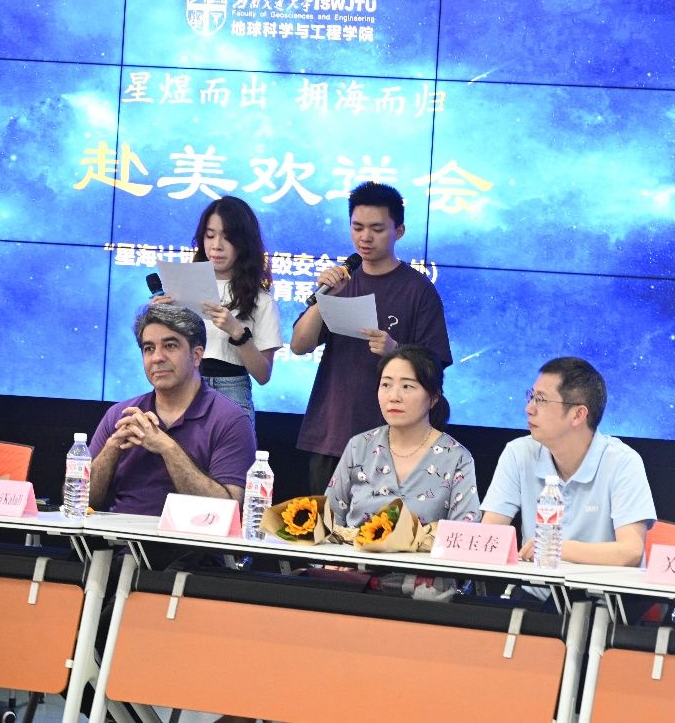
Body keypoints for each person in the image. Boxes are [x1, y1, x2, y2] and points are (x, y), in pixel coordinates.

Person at [292, 181, 452, 494]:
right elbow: (299, 345)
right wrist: (323, 300)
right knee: (325, 522)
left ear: (399, 231)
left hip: (392, 439)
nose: (365, 237)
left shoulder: (418, 290)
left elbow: (436, 365)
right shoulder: (341, 281)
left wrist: (396, 351)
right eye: (358, 227)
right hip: (332, 432)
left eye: (377, 229)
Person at [481, 357, 656, 566]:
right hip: (535, 586)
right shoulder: (518, 453)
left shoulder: (622, 462)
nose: (529, 408)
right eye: (531, 396)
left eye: (541, 400)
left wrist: (554, 547)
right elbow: (488, 536)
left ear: (578, 415)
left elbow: (630, 552)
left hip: (598, 587)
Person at [88, 304, 256, 515]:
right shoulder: (121, 414)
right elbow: (80, 499)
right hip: (119, 535)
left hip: (191, 536)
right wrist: (112, 447)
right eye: (149, 348)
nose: (157, 358)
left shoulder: (231, 419)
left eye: (170, 346)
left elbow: (228, 510)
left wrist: (167, 448)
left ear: (196, 356)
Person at [154, 195, 281, 425]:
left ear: (244, 242)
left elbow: (263, 375)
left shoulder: (260, 299)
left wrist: (237, 333)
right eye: (210, 235)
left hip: (232, 390)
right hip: (183, 387)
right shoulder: (181, 287)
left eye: (228, 237)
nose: (216, 246)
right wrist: (158, 319)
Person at [325, 344, 479, 527]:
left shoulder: (456, 458)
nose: (394, 396)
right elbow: (329, 520)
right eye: (386, 385)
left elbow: (464, 532)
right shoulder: (359, 446)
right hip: (354, 546)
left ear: (433, 398)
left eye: (407, 386)